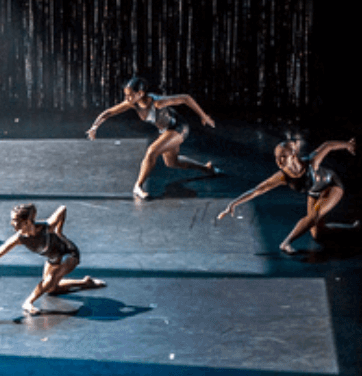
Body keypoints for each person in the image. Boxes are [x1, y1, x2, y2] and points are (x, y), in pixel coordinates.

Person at [216, 136, 355, 253]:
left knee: (313, 217)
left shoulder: (312, 162)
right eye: (277, 157)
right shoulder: (282, 177)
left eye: (283, 157)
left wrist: (348, 145)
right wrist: (233, 203)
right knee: (318, 235)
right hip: (315, 191)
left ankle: (286, 243)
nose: (279, 161)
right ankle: (353, 229)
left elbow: (328, 145)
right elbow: (257, 190)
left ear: (294, 155)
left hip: (332, 185)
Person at [86, 76, 217, 199]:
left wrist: (204, 116)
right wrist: (94, 126)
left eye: (130, 95)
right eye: (126, 94)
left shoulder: (157, 102)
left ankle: (138, 186)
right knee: (172, 162)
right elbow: (109, 112)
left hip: (179, 128)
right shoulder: (132, 103)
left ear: (141, 93)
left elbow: (185, 98)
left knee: (151, 152)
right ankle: (206, 168)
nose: (127, 98)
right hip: (166, 130)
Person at [0, 204, 105, 314]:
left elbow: (62, 208)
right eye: (12, 220)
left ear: (27, 221)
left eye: (16, 220)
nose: (12, 223)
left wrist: (59, 231)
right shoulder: (19, 238)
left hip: (69, 253)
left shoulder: (47, 227)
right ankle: (85, 282)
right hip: (53, 257)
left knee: (50, 278)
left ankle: (28, 302)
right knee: (51, 288)